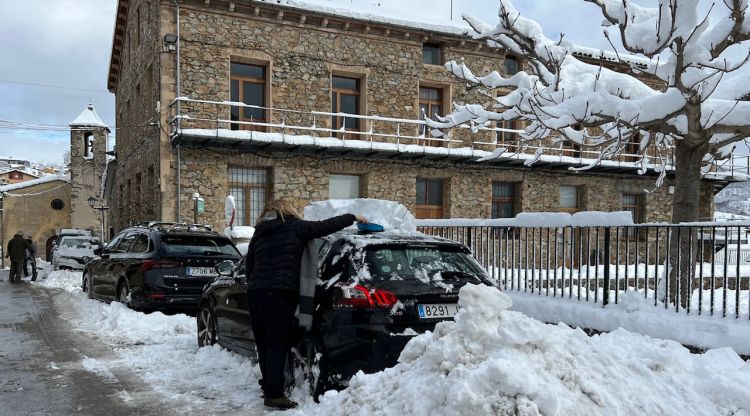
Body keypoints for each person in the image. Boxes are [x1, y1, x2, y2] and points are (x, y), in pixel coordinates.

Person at [245, 199, 366, 410]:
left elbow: (250, 265)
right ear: (288, 210)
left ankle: (268, 385)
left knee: (264, 343)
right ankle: (274, 394)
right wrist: (353, 217)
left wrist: (255, 285)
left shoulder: (260, 231)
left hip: (256, 293)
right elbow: (324, 226)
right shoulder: (295, 226)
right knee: (277, 344)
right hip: (280, 293)